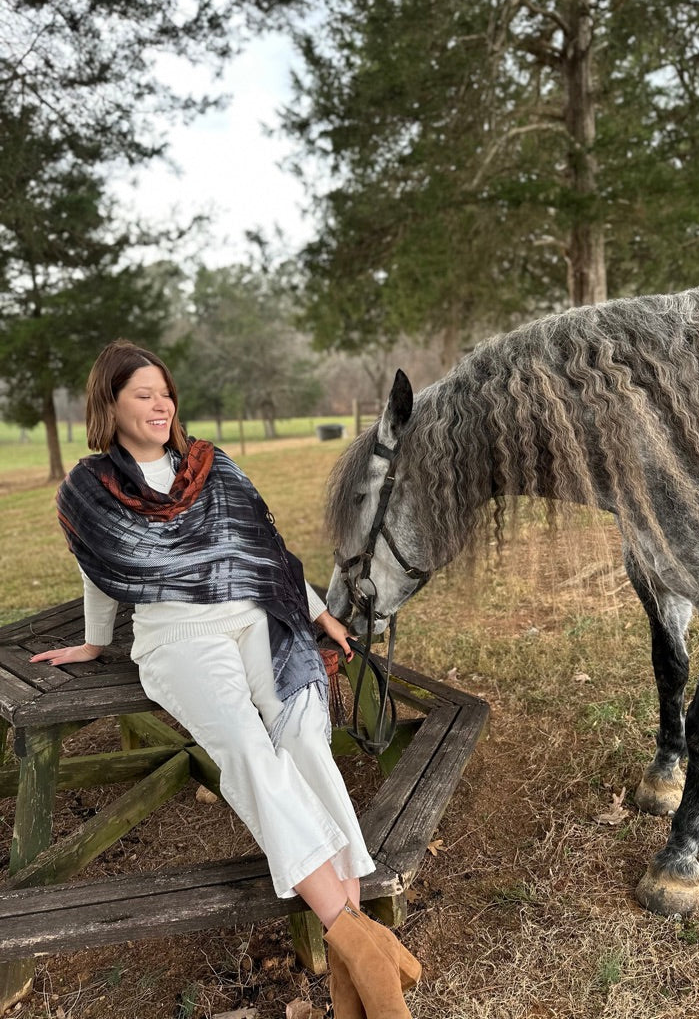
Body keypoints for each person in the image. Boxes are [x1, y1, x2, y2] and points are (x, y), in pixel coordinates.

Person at [30, 341, 420, 1019]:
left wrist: (321, 614)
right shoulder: (90, 489)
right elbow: (98, 569)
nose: (160, 404)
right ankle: (360, 943)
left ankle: (357, 966)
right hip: (177, 638)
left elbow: (262, 550)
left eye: (165, 392)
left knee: (302, 740)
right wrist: (96, 643)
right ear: (109, 404)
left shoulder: (212, 467)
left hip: (257, 616)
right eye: (142, 393)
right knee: (244, 746)